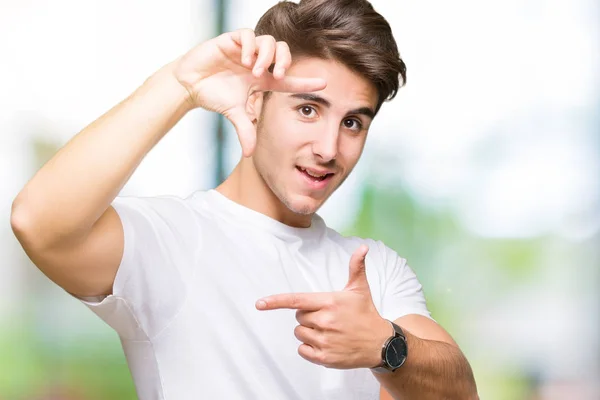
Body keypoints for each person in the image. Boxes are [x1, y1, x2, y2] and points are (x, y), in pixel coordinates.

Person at [10, 0, 478, 399]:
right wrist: (179, 86)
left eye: (352, 122)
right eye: (308, 109)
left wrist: (385, 345)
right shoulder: (171, 240)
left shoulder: (373, 267)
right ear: (255, 100)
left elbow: (461, 390)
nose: (330, 148)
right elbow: (38, 222)